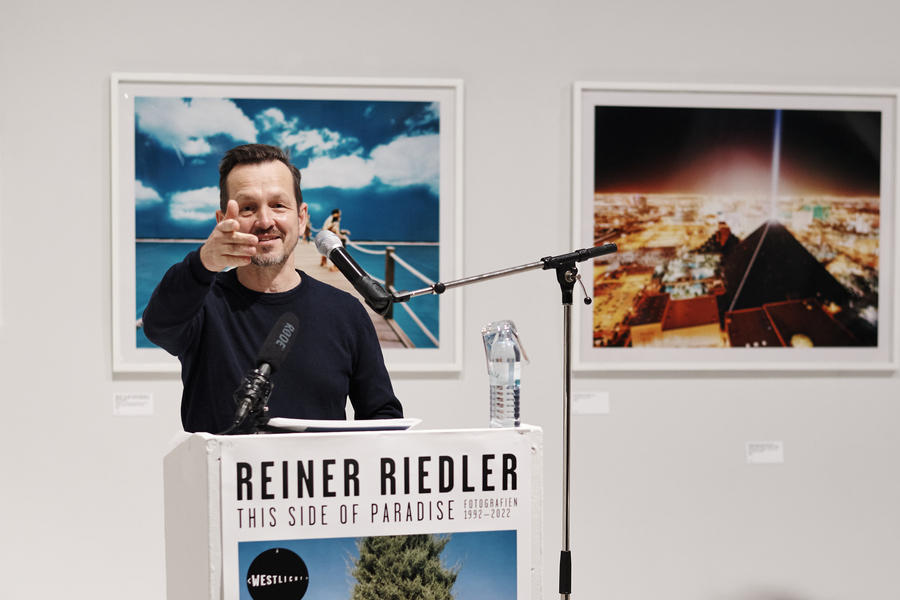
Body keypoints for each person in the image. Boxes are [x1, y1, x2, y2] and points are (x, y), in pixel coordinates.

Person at [142, 144, 403, 434]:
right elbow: (158, 327)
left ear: (301, 218)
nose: (265, 221)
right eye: (247, 208)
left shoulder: (346, 312)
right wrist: (203, 262)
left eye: (278, 205)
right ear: (223, 221)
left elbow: (382, 415)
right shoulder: (203, 305)